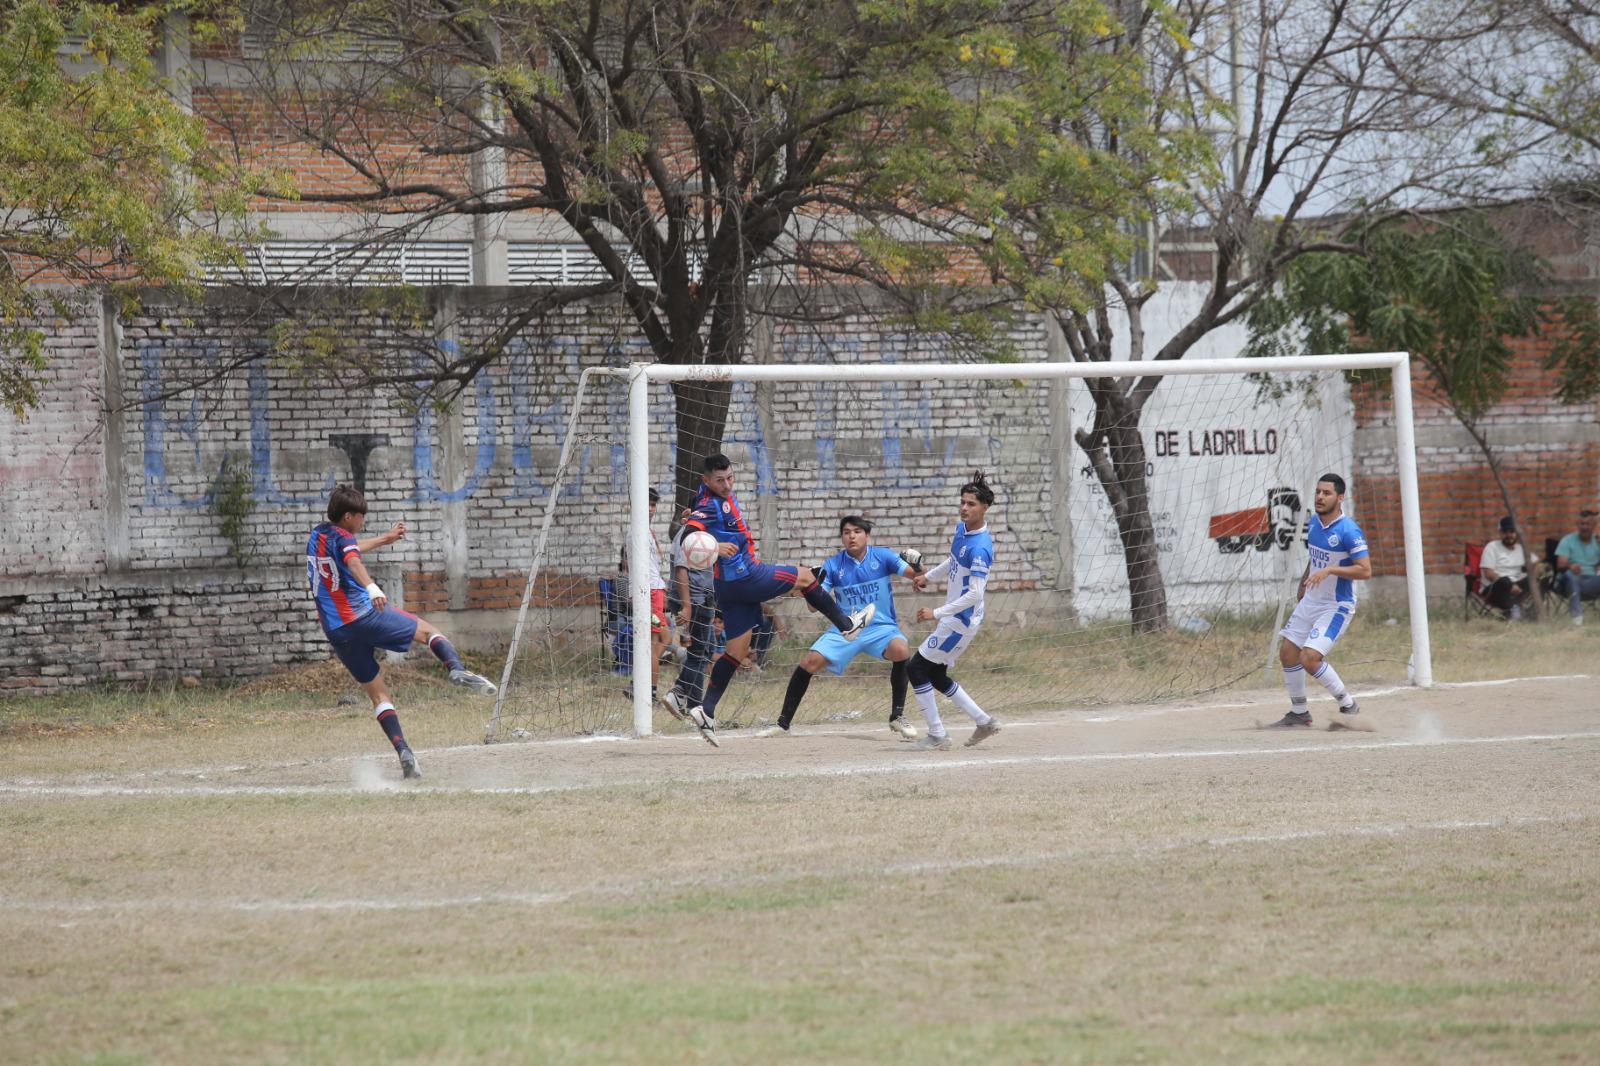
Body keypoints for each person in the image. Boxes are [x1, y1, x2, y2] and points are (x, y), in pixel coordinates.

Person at [675, 452, 875, 747]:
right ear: (706, 480)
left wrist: (694, 518)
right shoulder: (709, 503)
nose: (727, 485)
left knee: (736, 650)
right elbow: (687, 535)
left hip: (729, 587)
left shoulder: (704, 495)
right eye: (720, 481)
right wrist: (714, 544)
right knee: (806, 576)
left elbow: (693, 516)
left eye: (730, 477)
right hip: (747, 577)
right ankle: (846, 625)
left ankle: (706, 709)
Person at [305, 484, 498, 779]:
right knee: (429, 633)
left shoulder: (318, 534)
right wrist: (371, 587)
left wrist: (385, 539)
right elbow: (353, 559)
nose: (362, 522)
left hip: (336, 631)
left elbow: (351, 550)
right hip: (363, 615)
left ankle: (404, 752)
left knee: (379, 694)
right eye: (360, 516)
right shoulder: (344, 539)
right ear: (347, 517)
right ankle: (456, 668)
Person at [755, 515, 927, 739]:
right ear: (842, 537)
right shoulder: (833, 565)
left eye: (857, 531)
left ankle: (897, 717)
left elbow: (919, 578)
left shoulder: (883, 556)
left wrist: (919, 565)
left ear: (867, 535)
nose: (852, 536)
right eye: (846, 532)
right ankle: (783, 724)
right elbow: (813, 608)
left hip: (881, 627)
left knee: (901, 649)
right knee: (809, 662)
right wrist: (809, 588)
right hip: (846, 628)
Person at [905, 471, 1004, 750]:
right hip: (953, 619)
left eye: (971, 504)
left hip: (959, 622)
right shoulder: (962, 530)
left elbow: (975, 593)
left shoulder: (981, 548)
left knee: (916, 668)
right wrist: (929, 577)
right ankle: (984, 722)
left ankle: (937, 735)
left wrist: (936, 613)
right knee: (934, 675)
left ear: (984, 508)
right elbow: (953, 562)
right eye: (962, 502)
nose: (964, 508)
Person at [1269, 473, 1371, 728]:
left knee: (1309, 658)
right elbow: (1315, 559)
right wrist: (1305, 579)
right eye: (1318, 492)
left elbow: (1365, 570)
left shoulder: (1349, 531)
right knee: (1288, 653)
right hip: (1311, 600)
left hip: (1336, 606)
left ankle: (1348, 705)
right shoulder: (1314, 523)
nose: (1320, 497)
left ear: (1340, 497)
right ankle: (1299, 713)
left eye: (1326, 493)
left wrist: (1330, 571)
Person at [661, 510, 718, 718]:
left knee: (707, 649)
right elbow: (681, 568)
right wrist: (687, 605)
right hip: (694, 600)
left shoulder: (697, 531)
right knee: (697, 654)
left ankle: (679, 693)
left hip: (698, 599)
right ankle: (695, 706)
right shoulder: (690, 534)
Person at [620, 488, 672, 695]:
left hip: (655, 591)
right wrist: (646, 595)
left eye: (653, 504)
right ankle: (646, 691)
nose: (650, 509)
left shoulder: (647, 530)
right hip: (648, 593)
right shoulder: (637, 531)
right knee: (656, 641)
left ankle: (638, 684)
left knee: (664, 639)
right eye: (646, 504)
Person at [1553, 509, 1600, 625]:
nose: (1584, 527)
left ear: (1594, 526)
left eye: (1587, 524)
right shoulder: (1567, 540)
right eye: (1581, 524)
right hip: (1568, 582)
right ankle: (1577, 619)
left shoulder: (1597, 542)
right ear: (1577, 525)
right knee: (1570, 575)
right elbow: (1560, 564)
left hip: (1590, 582)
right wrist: (1570, 566)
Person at [1478, 516, 1531, 620]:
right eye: (1505, 532)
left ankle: (1531, 611)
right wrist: (1511, 585)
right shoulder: (1492, 547)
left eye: (1512, 531)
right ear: (1500, 533)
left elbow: (1535, 565)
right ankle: (1512, 612)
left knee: (1540, 579)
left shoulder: (1521, 549)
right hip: (1495, 588)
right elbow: (1488, 573)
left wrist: (1535, 570)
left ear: (1517, 533)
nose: (1509, 535)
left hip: (1517, 586)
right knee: (1505, 581)